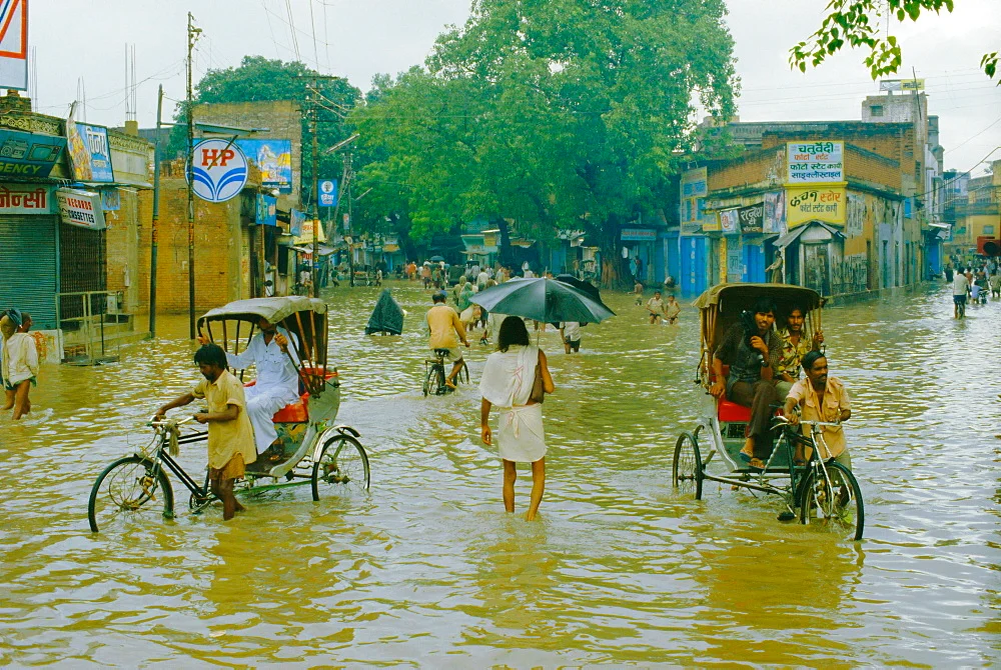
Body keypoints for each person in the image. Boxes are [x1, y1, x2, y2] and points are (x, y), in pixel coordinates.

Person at [155, 344, 257, 520]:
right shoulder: (208, 383)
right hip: (219, 441)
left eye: (204, 366)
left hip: (236, 442)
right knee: (217, 490)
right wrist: (164, 408)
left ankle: (229, 532)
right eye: (200, 367)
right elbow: (189, 397)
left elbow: (233, 413)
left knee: (225, 489)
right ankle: (241, 511)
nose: (201, 370)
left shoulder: (231, 383)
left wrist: (208, 417)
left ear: (216, 364)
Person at [479, 316, 554, 521]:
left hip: (507, 418)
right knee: (538, 472)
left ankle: (510, 519)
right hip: (531, 417)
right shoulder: (536, 354)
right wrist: (538, 369)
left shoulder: (494, 359)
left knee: (509, 473)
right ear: (524, 333)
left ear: (502, 335)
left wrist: (484, 424)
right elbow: (549, 388)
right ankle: (530, 516)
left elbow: (487, 395)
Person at [197, 317, 300, 462]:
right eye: (262, 320)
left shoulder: (289, 338)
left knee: (253, 406)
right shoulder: (257, 340)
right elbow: (240, 363)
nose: (266, 323)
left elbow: (294, 369)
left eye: (269, 319)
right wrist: (212, 348)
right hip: (261, 387)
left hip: (284, 388)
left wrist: (284, 350)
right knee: (231, 400)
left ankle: (275, 443)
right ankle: (239, 442)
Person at [709, 298, 782, 469]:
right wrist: (720, 380)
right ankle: (758, 453)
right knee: (769, 402)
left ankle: (750, 443)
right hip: (737, 381)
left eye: (769, 316)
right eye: (761, 314)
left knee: (766, 391)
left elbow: (767, 377)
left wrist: (765, 352)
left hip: (760, 383)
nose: (764, 319)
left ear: (774, 319)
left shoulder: (776, 340)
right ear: (754, 315)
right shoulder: (738, 330)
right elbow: (718, 356)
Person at [783, 350, 852, 469]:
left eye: (825, 368)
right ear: (807, 371)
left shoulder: (837, 385)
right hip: (813, 448)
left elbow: (847, 412)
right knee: (818, 485)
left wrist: (839, 418)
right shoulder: (801, 386)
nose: (823, 372)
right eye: (818, 369)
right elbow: (791, 400)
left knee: (848, 485)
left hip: (837, 445)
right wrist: (788, 414)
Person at [774, 306, 824, 398]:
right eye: (792, 317)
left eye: (799, 318)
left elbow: (810, 361)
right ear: (787, 318)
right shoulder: (777, 337)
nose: (796, 322)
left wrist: (816, 343)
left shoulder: (805, 338)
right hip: (779, 382)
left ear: (803, 319)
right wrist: (797, 385)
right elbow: (778, 369)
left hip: (797, 381)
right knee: (800, 394)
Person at [426, 291, 470, 388]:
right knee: (459, 361)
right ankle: (449, 379)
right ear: (444, 300)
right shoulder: (450, 310)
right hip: (449, 341)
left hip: (434, 343)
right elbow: (459, 329)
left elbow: (429, 330)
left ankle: (439, 385)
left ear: (433, 302)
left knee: (438, 362)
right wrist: (465, 340)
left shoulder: (429, 312)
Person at [2, 309, 38, 420]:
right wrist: (34, 373)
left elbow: (6, 359)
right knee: (17, 410)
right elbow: (32, 361)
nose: (31, 323)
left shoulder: (9, 339)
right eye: (30, 321)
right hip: (24, 376)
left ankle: (28, 422)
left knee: (26, 404)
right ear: (26, 323)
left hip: (12, 377)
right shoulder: (27, 339)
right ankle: (15, 432)